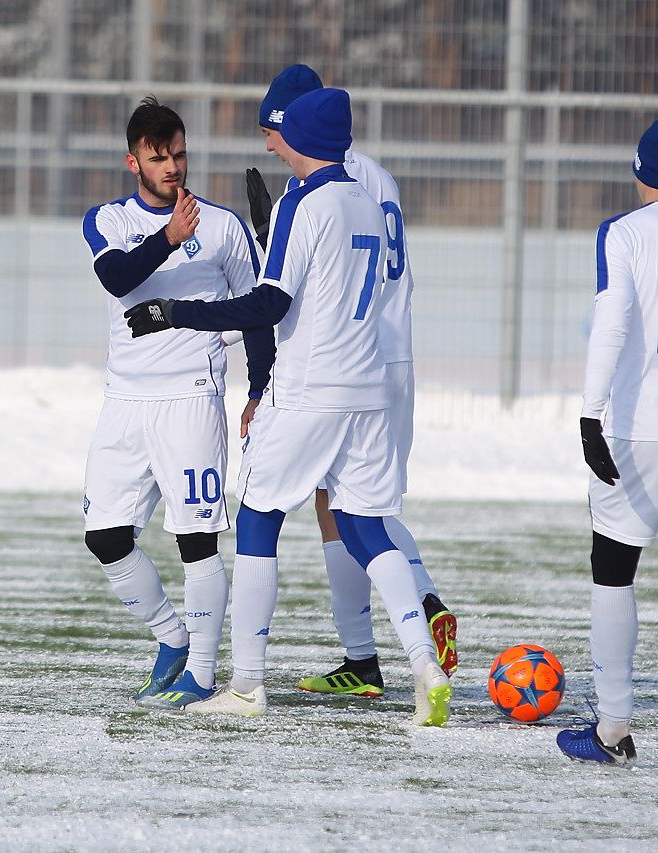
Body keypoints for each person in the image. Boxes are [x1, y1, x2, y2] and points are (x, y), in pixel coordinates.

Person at [125, 88, 452, 726]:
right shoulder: (365, 194)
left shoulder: (306, 201)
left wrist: (175, 313)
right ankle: (423, 665)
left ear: (299, 137)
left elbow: (269, 304)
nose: (270, 141)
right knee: (366, 528)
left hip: (308, 391)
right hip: (366, 393)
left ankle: (246, 684)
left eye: (279, 132)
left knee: (257, 522)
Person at [245, 64, 457, 698]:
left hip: (342, 358)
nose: (270, 141)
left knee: (330, 508)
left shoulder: (317, 187)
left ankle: (406, 609)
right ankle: (376, 649)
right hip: (390, 357)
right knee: (355, 505)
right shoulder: (374, 177)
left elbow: (294, 291)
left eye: (273, 126)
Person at [81, 96, 273, 711]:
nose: (173, 167)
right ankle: (171, 636)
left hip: (192, 400)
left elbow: (259, 314)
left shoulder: (221, 227)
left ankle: (200, 672)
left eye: (180, 155)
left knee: (197, 540)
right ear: (133, 160)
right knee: (105, 536)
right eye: (158, 157)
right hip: (124, 403)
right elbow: (117, 279)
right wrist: (169, 238)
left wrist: (259, 389)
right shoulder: (106, 220)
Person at [556, 122, 658, 767]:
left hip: (634, 428)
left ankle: (613, 728)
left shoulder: (623, 233)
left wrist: (590, 415)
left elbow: (613, 322)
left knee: (615, 569)